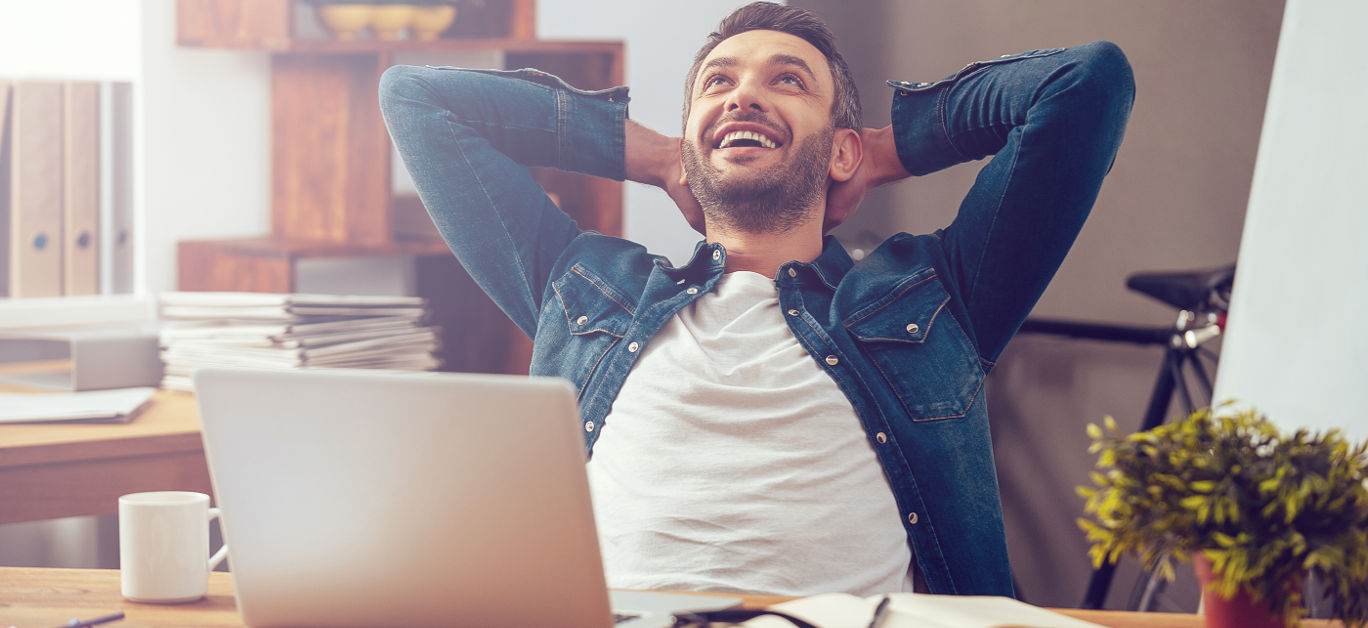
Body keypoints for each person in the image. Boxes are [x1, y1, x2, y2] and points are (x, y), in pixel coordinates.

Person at [379, 2, 1133, 598]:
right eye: (719, 82)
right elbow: (415, 100)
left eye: (788, 80)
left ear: (839, 147)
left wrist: (879, 150)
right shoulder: (585, 290)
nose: (744, 93)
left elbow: (1085, 84)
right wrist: (654, 154)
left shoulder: (935, 298)